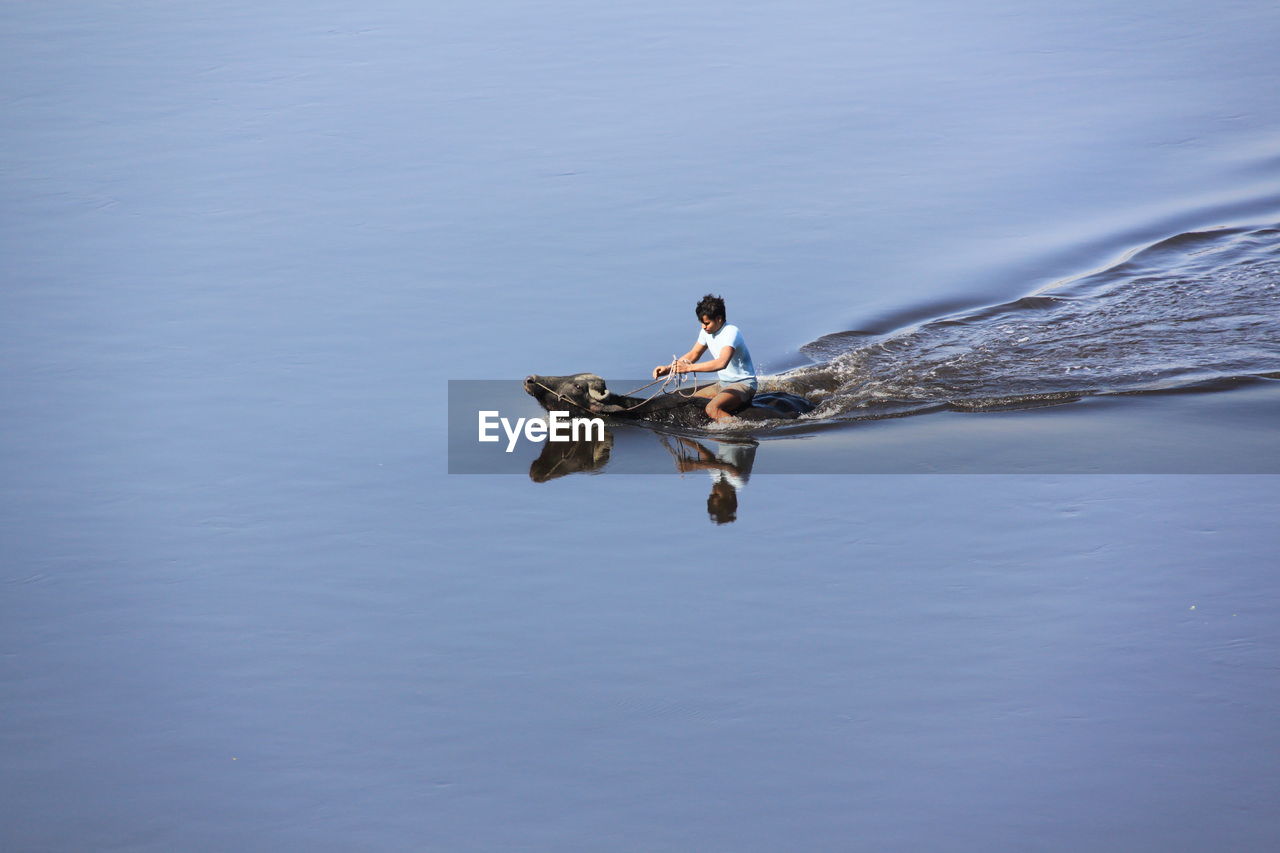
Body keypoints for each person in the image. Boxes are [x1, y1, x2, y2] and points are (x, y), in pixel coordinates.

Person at [652, 294, 757, 421]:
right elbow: (693, 354)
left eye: (707, 323)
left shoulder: (731, 332)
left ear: (719, 319)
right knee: (690, 403)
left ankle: (740, 434)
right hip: (723, 384)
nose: (703, 326)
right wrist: (668, 369)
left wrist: (688, 368)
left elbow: (721, 363)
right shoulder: (706, 332)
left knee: (712, 409)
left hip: (743, 385)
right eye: (701, 323)